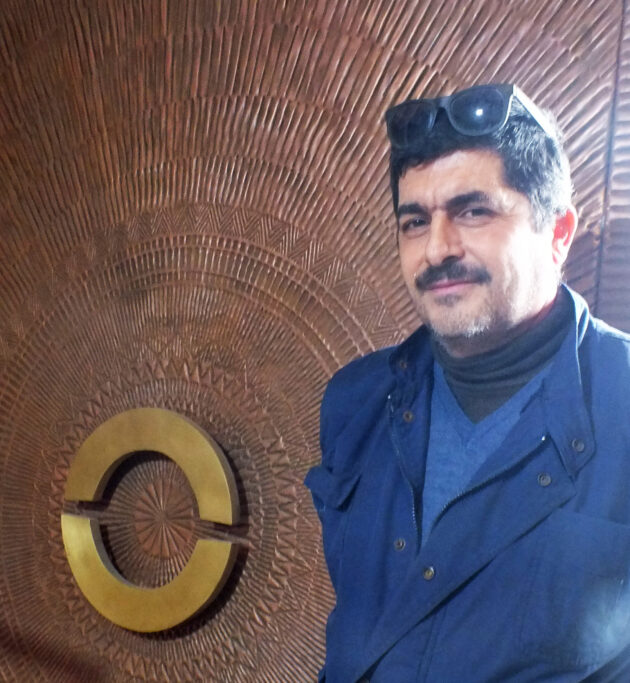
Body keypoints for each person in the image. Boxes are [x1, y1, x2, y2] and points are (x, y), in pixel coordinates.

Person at [305, 83, 630, 682]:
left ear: (558, 233)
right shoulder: (355, 402)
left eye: (473, 211)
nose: (437, 249)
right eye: (414, 221)